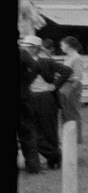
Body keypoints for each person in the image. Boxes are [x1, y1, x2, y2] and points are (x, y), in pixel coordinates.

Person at [20, 36, 61, 170]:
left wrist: (54, 85)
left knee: (36, 131)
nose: (23, 48)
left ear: (34, 48)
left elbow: (66, 71)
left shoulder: (38, 61)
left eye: (26, 46)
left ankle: (53, 156)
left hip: (37, 97)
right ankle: (47, 159)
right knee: (31, 132)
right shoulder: (30, 59)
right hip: (29, 97)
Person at [18, 44, 43, 174]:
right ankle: (33, 166)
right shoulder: (22, 53)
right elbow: (36, 67)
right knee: (27, 132)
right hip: (22, 96)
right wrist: (26, 81)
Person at [58, 36, 85, 144]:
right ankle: (66, 135)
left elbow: (78, 76)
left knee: (73, 111)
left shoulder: (76, 58)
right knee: (65, 112)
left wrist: (72, 86)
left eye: (62, 45)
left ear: (68, 46)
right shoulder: (68, 57)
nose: (61, 47)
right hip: (65, 86)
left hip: (71, 86)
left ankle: (77, 137)